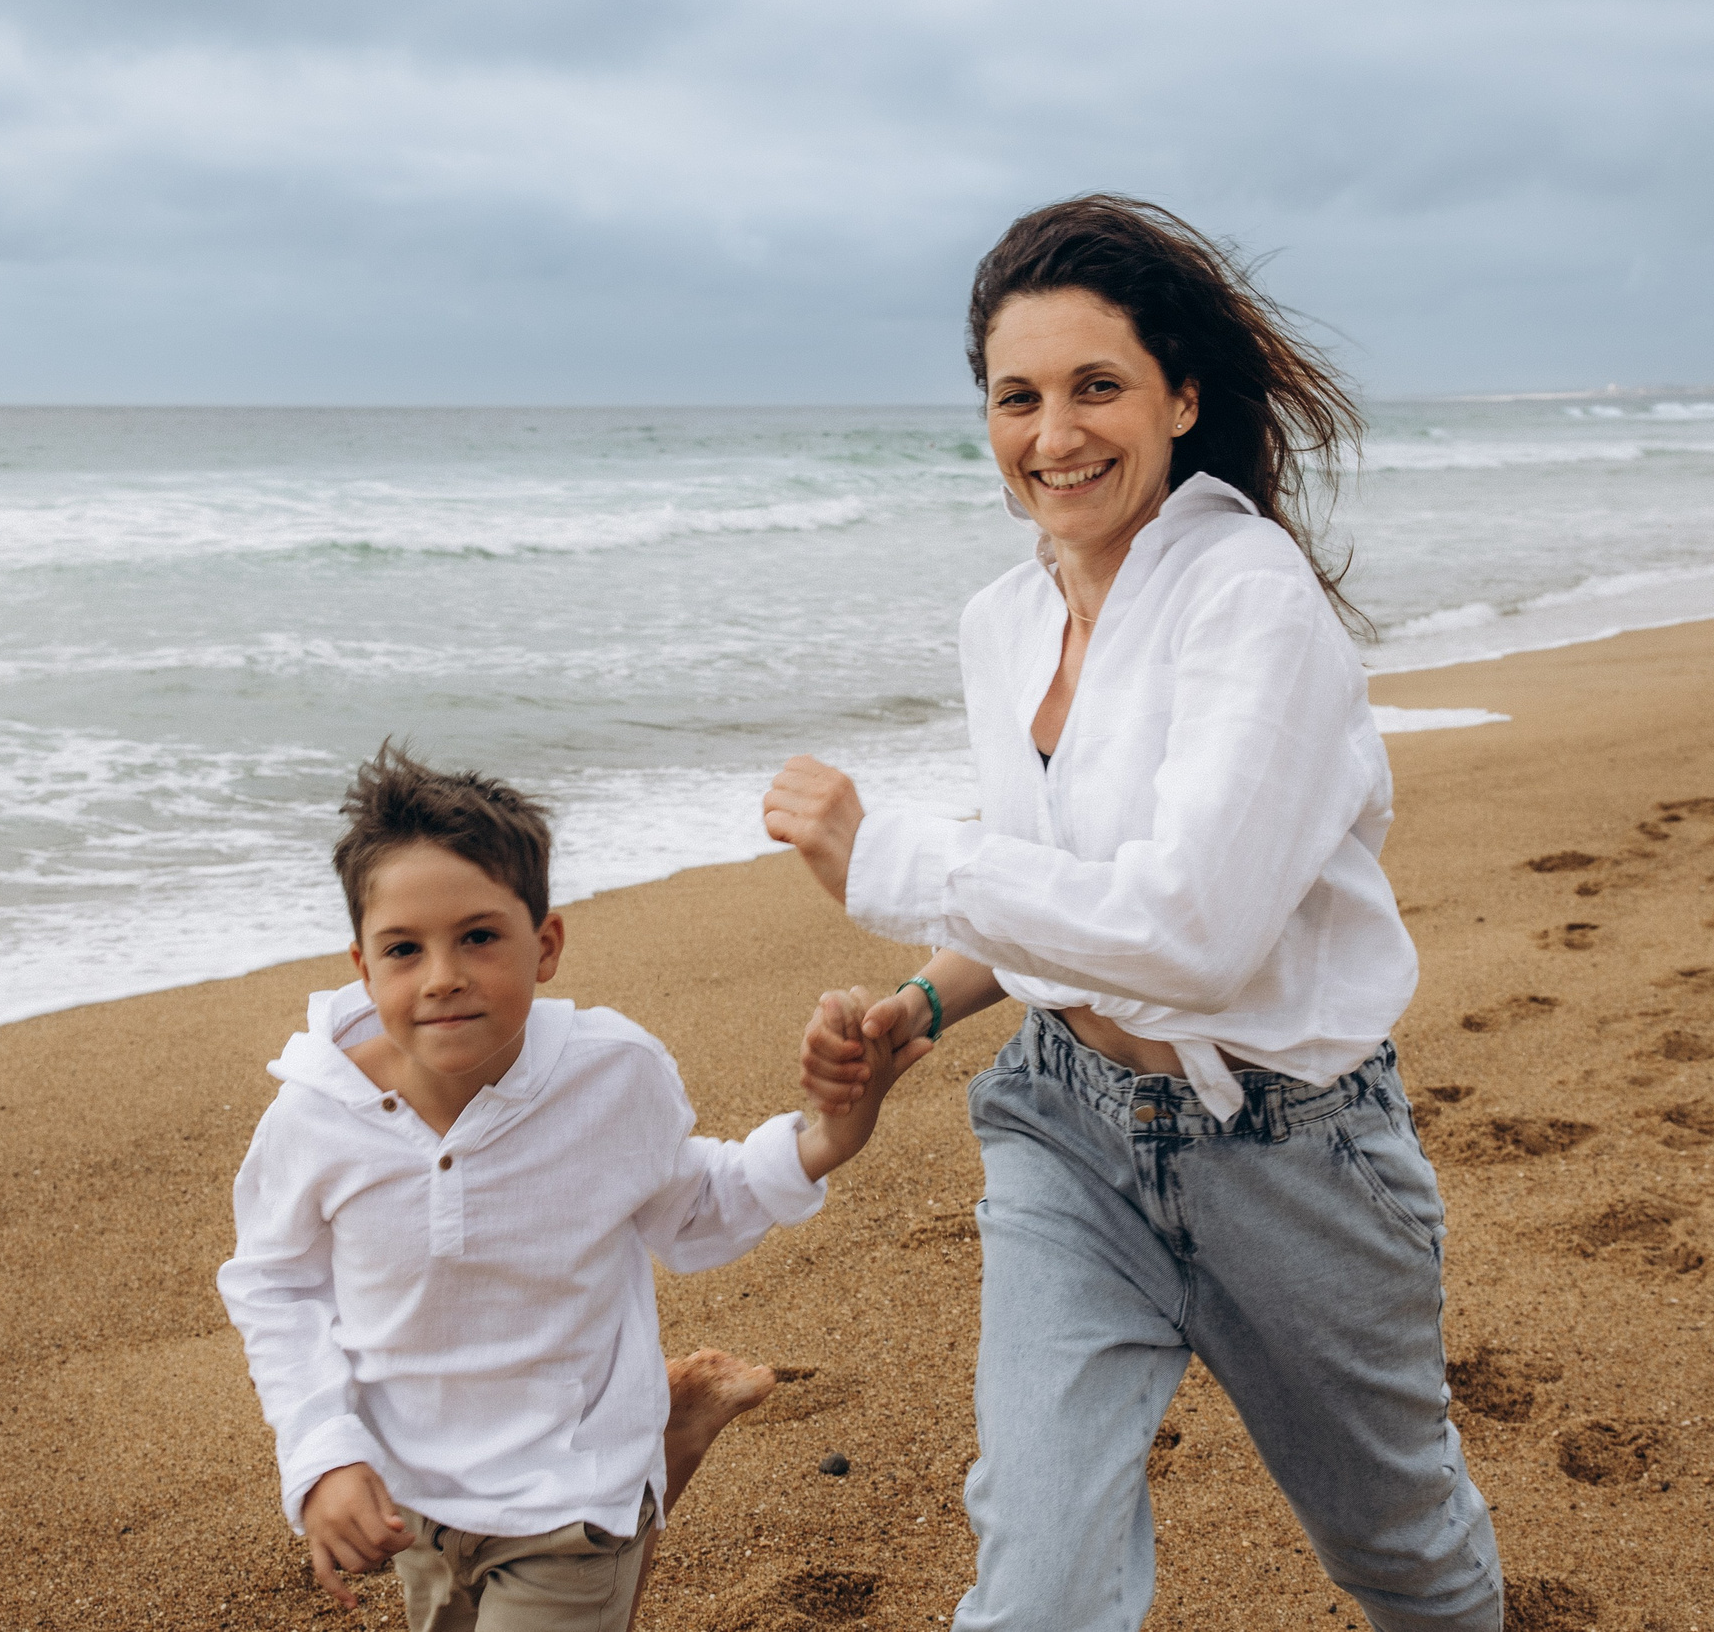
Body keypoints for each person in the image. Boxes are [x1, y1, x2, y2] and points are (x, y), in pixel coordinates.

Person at [762, 195, 1502, 1632]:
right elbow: (1057, 871)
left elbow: (1189, 933)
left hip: (1289, 1153)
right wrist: (923, 1002)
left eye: (1096, 386)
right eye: (1016, 397)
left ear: (1181, 396)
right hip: (1068, 1127)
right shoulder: (1003, 619)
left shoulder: (1251, 599)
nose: (1054, 434)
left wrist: (885, 856)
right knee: (1035, 1585)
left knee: (1402, 1555)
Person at [221, 745, 923, 1630]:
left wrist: (827, 1137)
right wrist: (323, 1451)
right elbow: (274, 1283)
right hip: (411, 1501)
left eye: (479, 936)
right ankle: (679, 1425)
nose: (442, 975)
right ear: (363, 967)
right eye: (404, 948)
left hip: (571, 1493)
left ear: (545, 945)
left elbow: (693, 1203)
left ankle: (656, 1446)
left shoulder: (610, 1073)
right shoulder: (316, 1114)